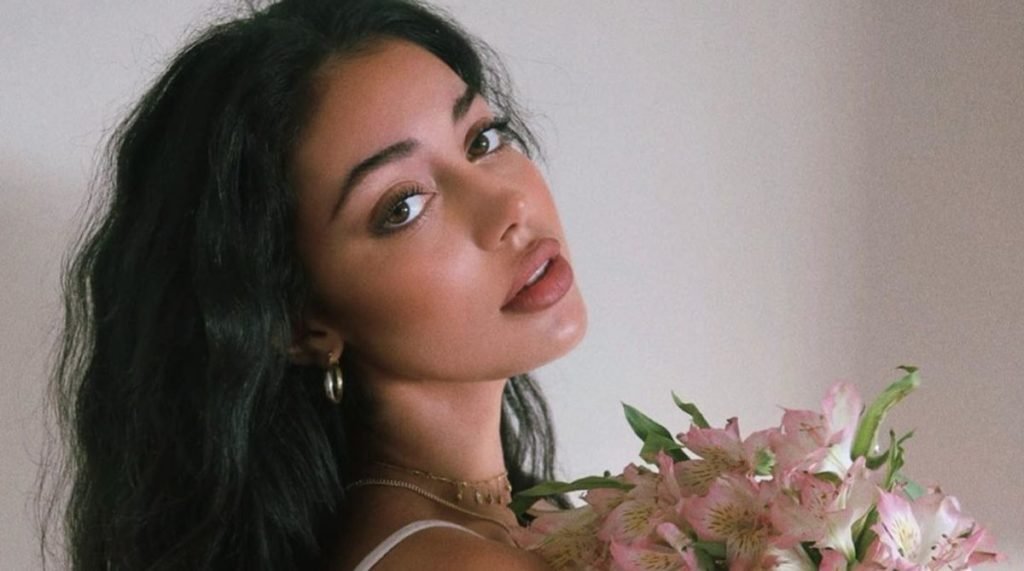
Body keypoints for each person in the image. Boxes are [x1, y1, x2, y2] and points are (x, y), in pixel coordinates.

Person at [50, 0, 587, 569]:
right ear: (301, 325)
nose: (508, 205)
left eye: (481, 141)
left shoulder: (500, 524)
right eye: (402, 206)